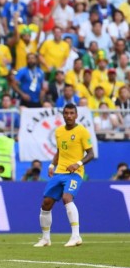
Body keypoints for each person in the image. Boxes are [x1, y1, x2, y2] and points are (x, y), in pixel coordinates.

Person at [34, 104, 94, 248]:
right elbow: (60, 151)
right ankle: (46, 239)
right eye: (66, 113)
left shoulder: (82, 132)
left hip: (75, 173)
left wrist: (77, 164)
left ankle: (76, 236)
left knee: (67, 198)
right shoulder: (59, 131)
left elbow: (91, 154)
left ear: (76, 115)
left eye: (71, 113)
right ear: (63, 115)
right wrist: (51, 165)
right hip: (59, 171)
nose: (69, 116)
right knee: (46, 203)